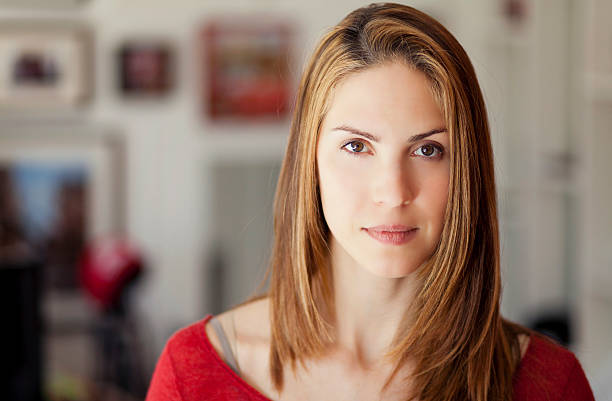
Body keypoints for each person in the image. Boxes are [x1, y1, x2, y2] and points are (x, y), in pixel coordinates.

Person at [146, 3, 595, 400]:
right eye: (358, 147)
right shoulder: (192, 373)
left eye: (427, 150)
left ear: (468, 171)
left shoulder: (549, 385)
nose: (394, 192)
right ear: (311, 162)